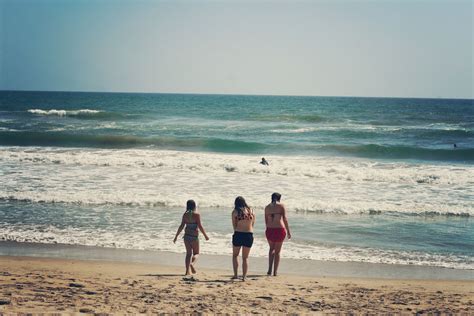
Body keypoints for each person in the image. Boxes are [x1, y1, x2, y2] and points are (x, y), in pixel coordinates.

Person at [173, 199, 209, 276]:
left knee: (188, 254)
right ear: (194, 206)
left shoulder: (185, 215)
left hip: (186, 237)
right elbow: (199, 226)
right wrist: (205, 235)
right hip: (194, 237)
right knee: (196, 253)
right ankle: (192, 264)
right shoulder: (196, 215)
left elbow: (181, 226)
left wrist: (176, 236)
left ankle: (187, 272)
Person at [264, 192, 291, 276]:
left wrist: (268, 229)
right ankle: (275, 272)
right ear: (279, 198)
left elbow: (266, 221)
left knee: (271, 249)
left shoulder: (267, 207)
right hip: (279, 230)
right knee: (277, 252)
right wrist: (288, 232)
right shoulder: (281, 206)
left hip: (269, 229)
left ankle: (269, 270)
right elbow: (285, 219)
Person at [231, 196, 255, 281]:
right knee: (245, 258)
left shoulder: (235, 212)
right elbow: (253, 224)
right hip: (249, 234)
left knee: (235, 255)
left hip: (238, 234)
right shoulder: (251, 211)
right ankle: (244, 277)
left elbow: (234, 225)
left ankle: (235, 275)